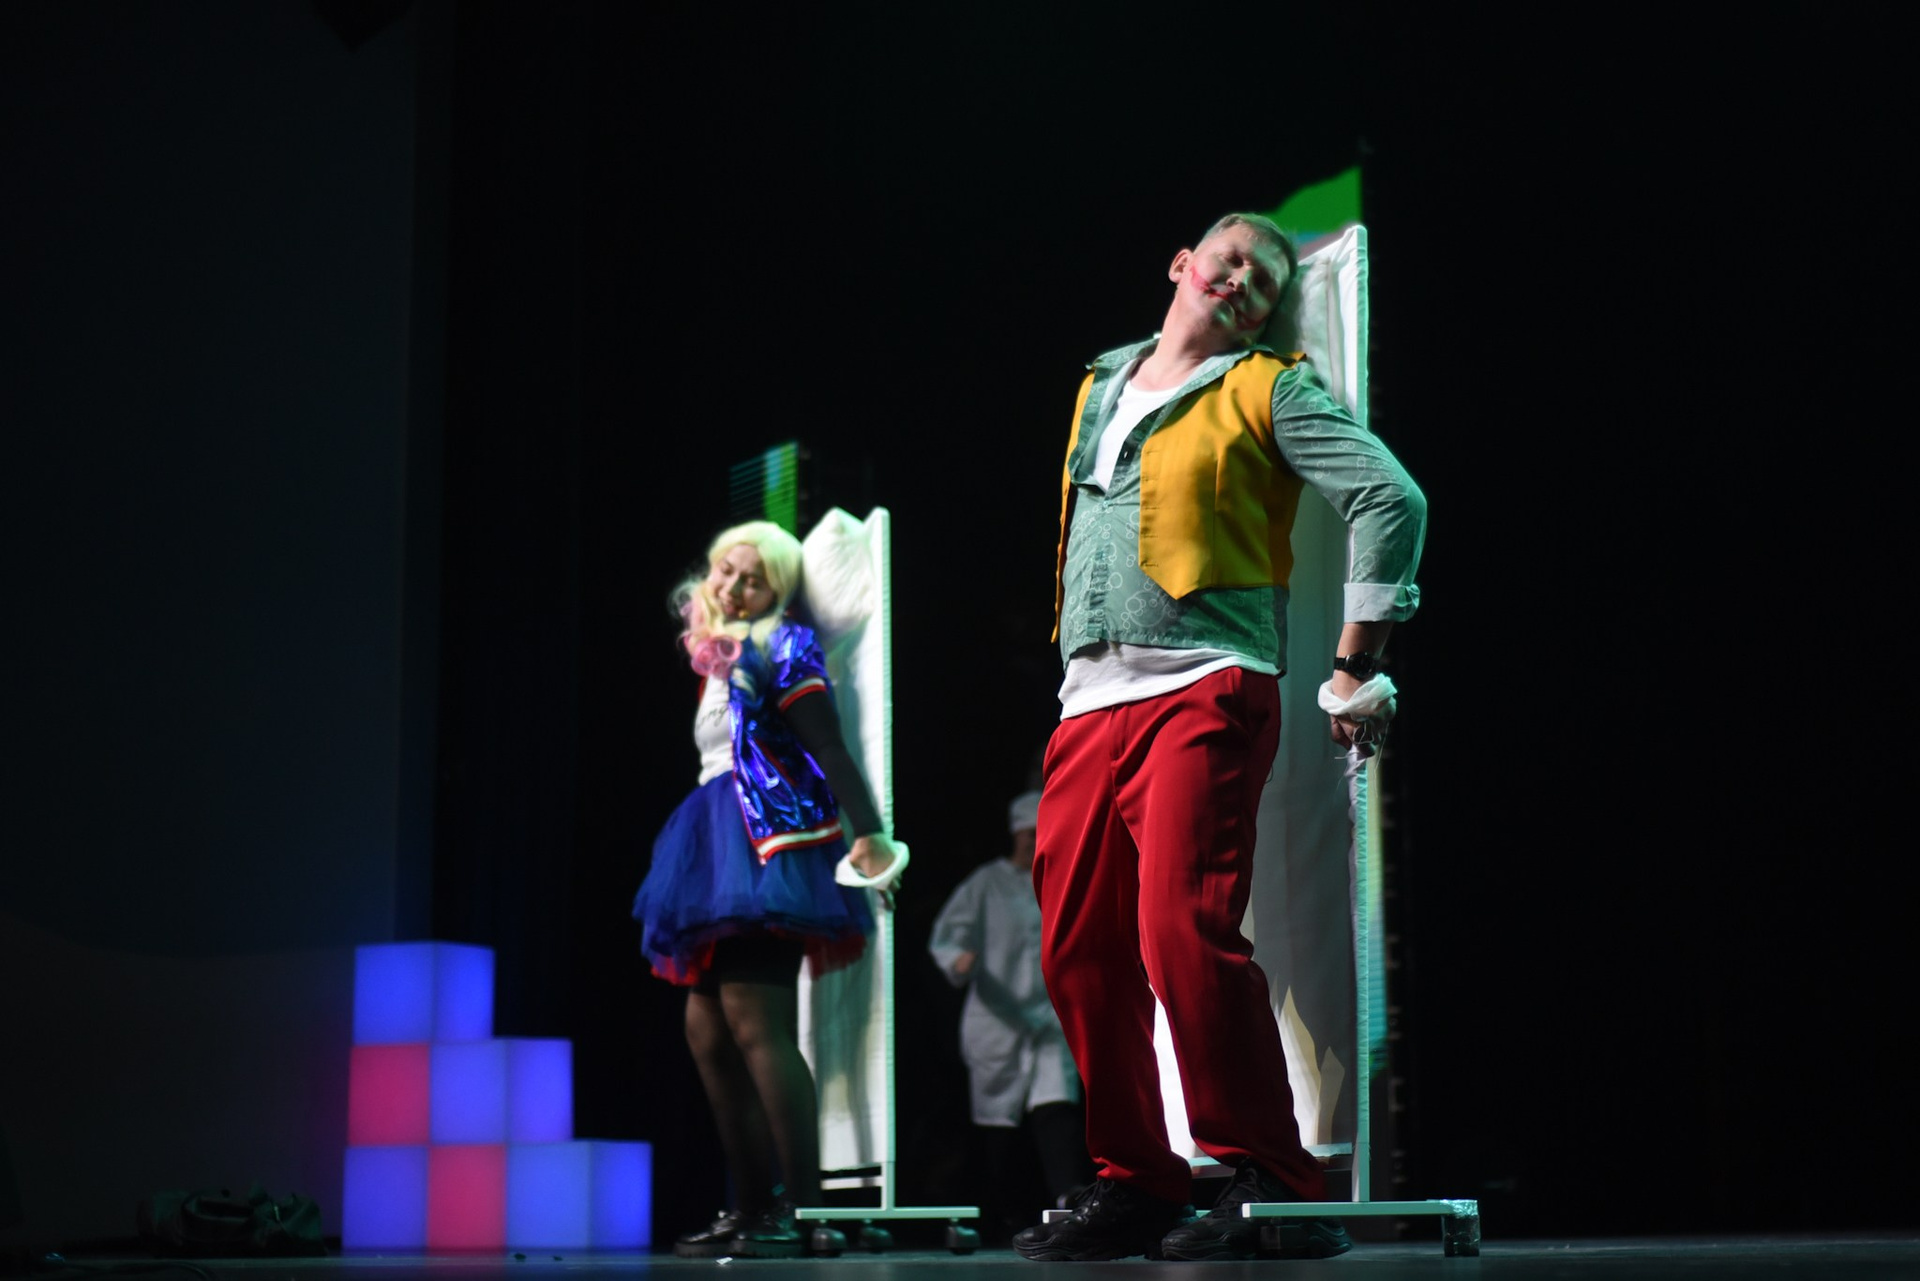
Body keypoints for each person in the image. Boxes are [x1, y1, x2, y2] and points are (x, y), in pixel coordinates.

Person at [1012, 213, 1427, 1263]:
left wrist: (1356, 660)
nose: (1240, 278)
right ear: (1181, 265)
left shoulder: (1268, 387)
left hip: (1203, 684)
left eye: (1264, 279)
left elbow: (1391, 496)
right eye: (1228, 257)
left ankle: (1271, 1176)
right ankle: (1137, 1179)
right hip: (1086, 699)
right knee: (1077, 949)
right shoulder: (1099, 384)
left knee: (1180, 933)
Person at [631, 520, 905, 1259]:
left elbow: (827, 744)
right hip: (712, 841)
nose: (733, 587)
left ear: (777, 592)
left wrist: (869, 831)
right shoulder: (717, 656)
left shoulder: (784, 644)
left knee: (755, 1021)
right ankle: (753, 1204)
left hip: (766, 845)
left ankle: (804, 1209)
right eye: (726, 570)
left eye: (753, 579)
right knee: (706, 1031)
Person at [929, 788, 1092, 1240]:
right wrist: (958, 958)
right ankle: (1006, 1211)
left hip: (1049, 1016)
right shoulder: (986, 883)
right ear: (1015, 834)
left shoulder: (1061, 880)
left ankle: (1067, 1195)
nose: (1032, 841)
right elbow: (947, 935)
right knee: (998, 1118)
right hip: (997, 1018)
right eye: (1026, 833)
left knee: (1056, 1104)